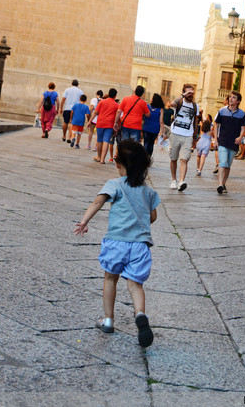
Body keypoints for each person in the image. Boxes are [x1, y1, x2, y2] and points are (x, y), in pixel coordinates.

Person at [74, 139, 159, 347]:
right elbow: (153, 216)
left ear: (118, 163)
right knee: (135, 284)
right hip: (140, 246)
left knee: (110, 279)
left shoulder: (114, 184)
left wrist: (85, 221)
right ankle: (140, 314)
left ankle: (108, 320)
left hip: (116, 242)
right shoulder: (149, 192)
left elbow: (98, 201)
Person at [214, 91, 245, 194]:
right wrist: (216, 139)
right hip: (222, 141)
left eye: (234, 97)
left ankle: (223, 184)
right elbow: (216, 125)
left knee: (227, 165)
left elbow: (243, 128)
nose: (231, 99)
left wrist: (240, 137)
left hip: (234, 143)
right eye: (230, 97)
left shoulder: (241, 114)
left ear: (238, 101)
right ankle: (219, 184)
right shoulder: (222, 111)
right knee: (222, 163)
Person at [169, 83, 199, 192]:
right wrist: (183, 95)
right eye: (188, 92)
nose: (191, 94)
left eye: (192, 92)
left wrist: (195, 137)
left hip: (188, 136)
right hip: (175, 133)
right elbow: (171, 104)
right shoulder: (179, 103)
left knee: (184, 159)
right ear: (184, 93)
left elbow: (195, 122)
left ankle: (181, 181)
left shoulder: (195, 106)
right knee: (173, 159)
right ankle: (173, 180)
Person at [94, 88, 120, 164]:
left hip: (100, 123)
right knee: (106, 141)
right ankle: (102, 159)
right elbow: (117, 116)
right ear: (115, 96)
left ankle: (98, 157)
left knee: (99, 140)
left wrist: (89, 121)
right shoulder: (116, 105)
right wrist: (116, 125)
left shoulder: (102, 102)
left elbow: (95, 112)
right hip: (109, 124)